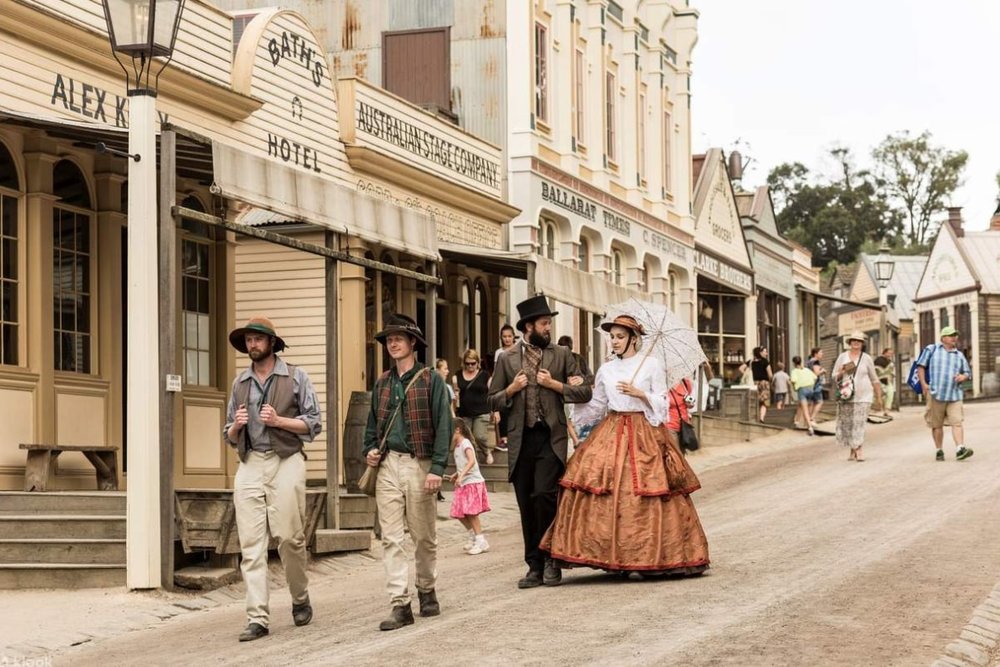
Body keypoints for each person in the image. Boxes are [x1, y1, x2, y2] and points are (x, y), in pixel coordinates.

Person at [541, 315, 710, 579]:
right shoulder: (606, 369)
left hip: (644, 431)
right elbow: (596, 405)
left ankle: (646, 557)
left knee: (646, 491)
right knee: (602, 486)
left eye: (620, 337)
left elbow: (663, 404)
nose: (615, 341)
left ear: (633, 338)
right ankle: (612, 557)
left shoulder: (651, 365)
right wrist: (577, 392)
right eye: (612, 337)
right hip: (612, 427)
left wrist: (641, 394)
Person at [223, 316, 322, 642]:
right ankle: (257, 618)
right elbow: (229, 435)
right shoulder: (240, 384)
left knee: (289, 538)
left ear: (271, 343)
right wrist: (236, 426)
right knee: (251, 546)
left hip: (286, 460)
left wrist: (280, 421)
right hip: (250, 463)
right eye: (248, 340)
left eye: (258, 339)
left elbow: (313, 423)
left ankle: (299, 596)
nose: (252, 344)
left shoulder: (296, 377)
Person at [488, 294, 592, 589]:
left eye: (549, 323)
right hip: (521, 441)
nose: (549, 328)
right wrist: (511, 389)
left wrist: (555, 385)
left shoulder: (562, 355)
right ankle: (533, 565)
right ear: (528, 327)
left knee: (544, 495)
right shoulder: (507, 359)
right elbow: (491, 400)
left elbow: (585, 391)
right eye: (544, 323)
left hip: (550, 437)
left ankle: (551, 559)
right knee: (525, 502)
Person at [362, 314, 453, 631]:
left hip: (420, 464)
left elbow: (444, 425)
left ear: (413, 342)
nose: (393, 343)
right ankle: (400, 604)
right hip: (388, 465)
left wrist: (437, 468)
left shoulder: (431, 380)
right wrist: (370, 450)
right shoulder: (382, 382)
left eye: (399, 337)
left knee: (424, 537)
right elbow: (371, 427)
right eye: (389, 339)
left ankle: (427, 589)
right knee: (390, 539)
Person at [915, 326, 973, 462]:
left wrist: (963, 377)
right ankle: (939, 450)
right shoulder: (932, 349)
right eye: (951, 335)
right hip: (935, 393)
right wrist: (923, 384)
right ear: (943, 338)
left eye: (955, 335)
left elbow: (968, 373)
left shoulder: (959, 355)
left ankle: (960, 449)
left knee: (957, 422)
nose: (954, 338)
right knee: (937, 425)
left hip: (954, 394)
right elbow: (920, 366)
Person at [832, 332, 883, 462]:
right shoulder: (842, 357)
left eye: (859, 341)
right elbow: (834, 376)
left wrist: (879, 397)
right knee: (848, 424)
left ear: (862, 343)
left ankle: (859, 450)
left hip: (864, 396)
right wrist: (842, 371)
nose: (856, 343)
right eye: (853, 340)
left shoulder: (867, 358)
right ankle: (853, 450)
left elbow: (874, 378)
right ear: (849, 343)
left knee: (859, 423)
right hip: (846, 395)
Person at [446, 417, 491, 555]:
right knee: (458, 512)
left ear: (458, 430)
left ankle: (481, 540)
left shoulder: (465, 443)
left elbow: (472, 461)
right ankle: (473, 535)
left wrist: (461, 475)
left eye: (450, 431)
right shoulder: (458, 447)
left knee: (472, 513)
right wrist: (456, 474)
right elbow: (464, 464)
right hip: (463, 482)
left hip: (472, 482)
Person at [453, 349, 494, 465]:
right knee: (468, 439)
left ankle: (486, 451)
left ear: (477, 362)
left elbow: (492, 393)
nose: (470, 366)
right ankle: (473, 460)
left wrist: (494, 410)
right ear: (463, 363)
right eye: (467, 363)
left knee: (479, 436)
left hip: (482, 411)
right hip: (465, 411)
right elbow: (455, 391)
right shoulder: (458, 375)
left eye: (473, 363)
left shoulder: (485, 375)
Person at [493, 324, 518, 453]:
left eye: (509, 336)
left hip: (517, 382)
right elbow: (496, 370)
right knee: (503, 409)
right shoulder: (499, 352)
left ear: (514, 337)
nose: (507, 339)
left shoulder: (519, 349)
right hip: (503, 384)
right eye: (504, 336)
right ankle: (504, 439)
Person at [789, 356, 818, 435]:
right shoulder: (807, 370)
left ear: (793, 363)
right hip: (811, 389)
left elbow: (793, 381)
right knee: (801, 405)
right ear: (801, 361)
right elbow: (815, 377)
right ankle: (797, 422)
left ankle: (810, 427)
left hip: (802, 390)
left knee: (805, 409)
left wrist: (794, 387)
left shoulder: (794, 371)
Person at [750, 346, 773, 422]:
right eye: (764, 352)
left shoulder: (752, 362)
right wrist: (771, 381)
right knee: (765, 401)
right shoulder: (765, 361)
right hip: (764, 382)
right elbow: (770, 374)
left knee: (757, 400)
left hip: (755, 383)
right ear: (760, 353)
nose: (766, 353)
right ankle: (761, 417)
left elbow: (741, 368)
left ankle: (756, 417)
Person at [873, 348, 895, 416]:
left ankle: (887, 410)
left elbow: (891, 372)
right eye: (889, 353)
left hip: (887, 381)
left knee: (890, 393)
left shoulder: (890, 362)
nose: (890, 355)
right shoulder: (878, 360)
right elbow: (874, 371)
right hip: (879, 381)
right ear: (884, 353)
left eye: (891, 354)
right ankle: (876, 408)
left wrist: (892, 376)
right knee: (878, 395)